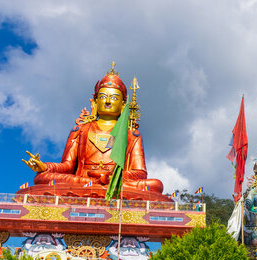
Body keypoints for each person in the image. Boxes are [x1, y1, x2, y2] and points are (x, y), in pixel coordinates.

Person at [21, 64, 165, 200]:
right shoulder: (81, 130)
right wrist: (45, 167)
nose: (108, 101)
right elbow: (67, 166)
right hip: (83, 180)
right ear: (95, 102)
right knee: (42, 178)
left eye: (114, 98)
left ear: (122, 104)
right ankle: (95, 187)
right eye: (103, 97)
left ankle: (103, 186)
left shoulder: (131, 134)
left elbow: (140, 173)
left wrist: (110, 177)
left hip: (115, 182)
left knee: (155, 185)